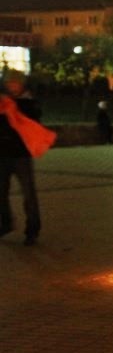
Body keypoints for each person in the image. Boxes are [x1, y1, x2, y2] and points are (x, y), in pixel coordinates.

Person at [0, 71, 43, 246]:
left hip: (21, 155)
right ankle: (6, 223)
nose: (13, 86)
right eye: (10, 83)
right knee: (0, 193)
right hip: (2, 154)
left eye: (16, 83)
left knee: (29, 194)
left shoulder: (29, 102)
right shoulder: (2, 102)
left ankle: (32, 229)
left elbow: (34, 121)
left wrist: (16, 109)